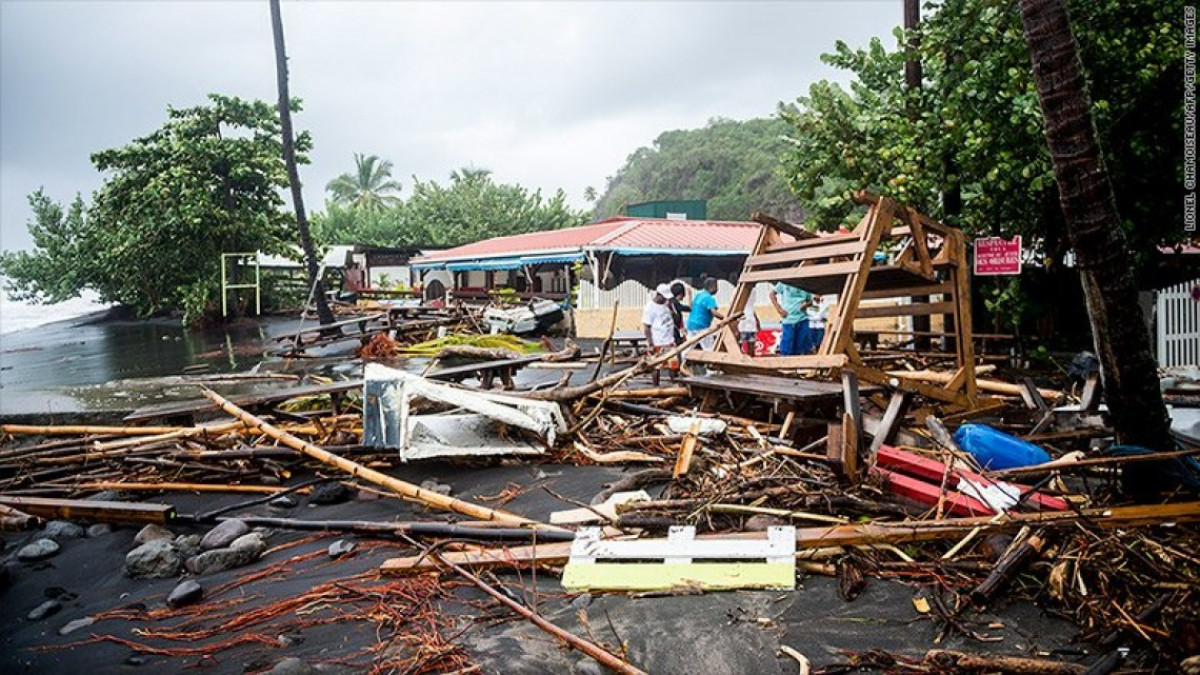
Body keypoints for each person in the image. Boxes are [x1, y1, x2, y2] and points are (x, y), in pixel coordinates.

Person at [642, 283, 678, 386]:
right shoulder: (650, 307)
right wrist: (650, 344)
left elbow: (676, 320)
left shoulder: (667, 305)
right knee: (656, 367)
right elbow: (647, 327)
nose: (666, 299)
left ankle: (674, 386)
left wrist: (672, 309)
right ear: (659, 295)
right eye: (664, 297)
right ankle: (655, 386)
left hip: (669, 341)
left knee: (673, 366)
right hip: (657, 341)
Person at [770, 281, 813, 356]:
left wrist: (806, 305)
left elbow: (810, 300)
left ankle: (801, 365)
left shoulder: (806, 283)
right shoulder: (784, 281)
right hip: (788, 320)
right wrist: (779, 310)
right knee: (787, 347)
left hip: (802, 319)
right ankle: (785, 365)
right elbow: (772, 294)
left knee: (804, 347)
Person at [684, 276, 725, 351]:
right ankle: (710, 362)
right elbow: (714, 312)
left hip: (691, 325)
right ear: (712, 287)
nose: (717, 289)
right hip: (701, 326)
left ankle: (682, 360)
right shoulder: (709, 298)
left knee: (688, 347)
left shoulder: (698, 295)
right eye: (716, 287)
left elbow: (691, 306)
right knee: (709, 349)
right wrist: (725, 318)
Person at [668, 281, 690, 345]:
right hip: (674, 331)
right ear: (681, 294)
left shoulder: (671, 301)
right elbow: (689, 308)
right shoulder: (675, 303)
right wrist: (690, 295)